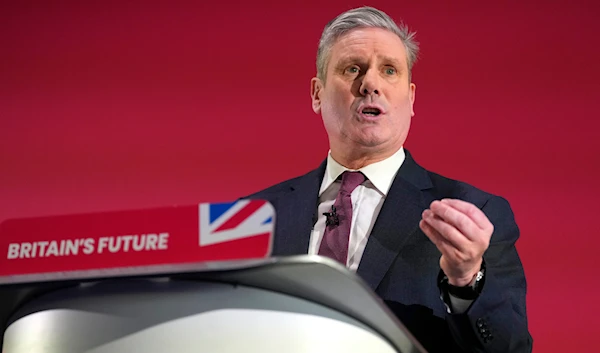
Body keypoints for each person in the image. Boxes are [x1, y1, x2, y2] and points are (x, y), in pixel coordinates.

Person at [244, 6, 532, 353]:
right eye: (353, 68)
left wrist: (466, 280)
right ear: (317, 94)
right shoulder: (256, 215)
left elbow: (509, 348)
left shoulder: (474, 212)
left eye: (389, 70)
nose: (370, 84)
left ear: (410, 98)